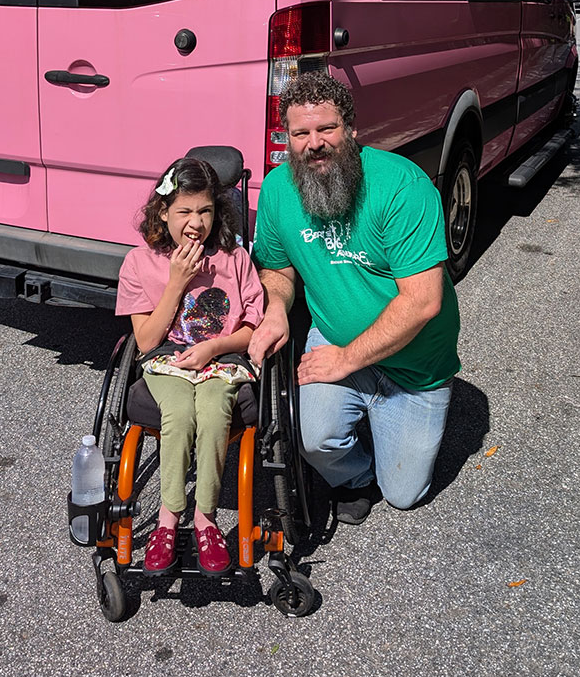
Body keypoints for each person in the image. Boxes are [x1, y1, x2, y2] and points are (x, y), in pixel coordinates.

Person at [249, 71, 460, 524]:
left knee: (405, 493)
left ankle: (394, 419)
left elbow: (423, 302)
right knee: (313, 439)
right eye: (301, 132)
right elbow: (277, 267)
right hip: (335, 338)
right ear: (288, 136)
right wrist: (276, 309)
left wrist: (347, 359)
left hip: (415, 364)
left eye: (327, 129)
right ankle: (355, 476)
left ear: (352, 129)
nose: (314, 143)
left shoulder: (401, 185)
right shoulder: (278, 189)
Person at [116, 157, 264, 575]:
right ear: (163, 212)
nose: (195, 222)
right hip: (166, 361)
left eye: (205, 210)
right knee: (178, 413)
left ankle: (206, 520)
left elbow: (253, 327)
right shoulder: (140, 263)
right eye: (184, 211)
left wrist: (214, 347)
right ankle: (168, 520)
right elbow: (145, 341)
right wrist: (178, 280)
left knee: (216, 410)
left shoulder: (234, 260)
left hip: (222, 359)